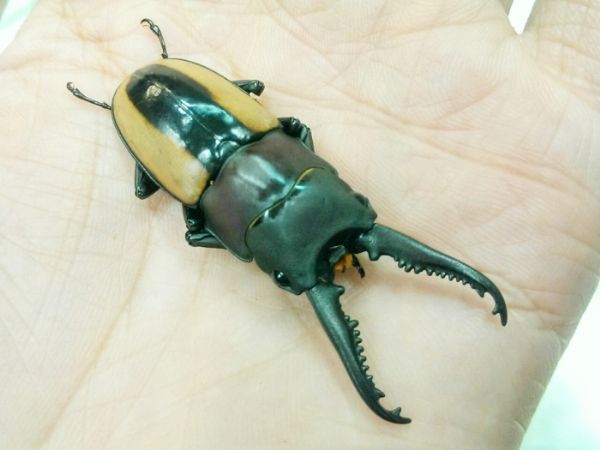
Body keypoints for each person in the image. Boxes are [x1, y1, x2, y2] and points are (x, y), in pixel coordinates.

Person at [0, 1, 598, 449]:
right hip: (205, 124)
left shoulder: (213, 187)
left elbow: (197, 227)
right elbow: (278, 134)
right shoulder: (279, 131)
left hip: (188, 146)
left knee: (175, 202)